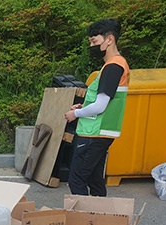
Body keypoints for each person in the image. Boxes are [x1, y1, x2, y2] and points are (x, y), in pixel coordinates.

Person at [64, 19, 130, 196]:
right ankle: (99, 220)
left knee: (76, 181)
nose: (92, 46)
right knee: (94, 180)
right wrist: (84, 106)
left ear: (110, 40)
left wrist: (75, 113)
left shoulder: (113, 66)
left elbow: (100, 105)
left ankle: (85, 221)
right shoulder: (114, 65)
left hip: (94, 133)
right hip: (101, 132)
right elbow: (103, 100)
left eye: (95, 42)